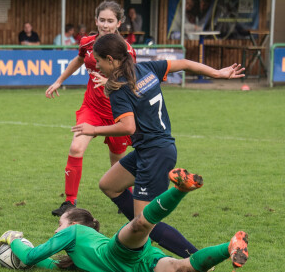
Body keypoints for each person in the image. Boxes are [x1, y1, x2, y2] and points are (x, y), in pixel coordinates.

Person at [71, 33, 244, 259]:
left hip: (154, 154)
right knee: (109, 184)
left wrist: (93, 129)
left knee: (145, 223)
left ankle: (200, 259)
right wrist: (217, 72)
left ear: (111, 59)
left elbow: (128, 126)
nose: (97, 66)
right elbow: (184, 64)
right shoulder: (146, 68)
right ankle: (138, 224)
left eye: (99, 61)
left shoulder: (118, 88)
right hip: (153, 149)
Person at [0, 168, 249, 272]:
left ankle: (180, 190)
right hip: (135, 270)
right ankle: (229, 247)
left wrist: (12, 237)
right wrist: (21, 257)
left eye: (59, 225)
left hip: (116, 252)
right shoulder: (75, 255)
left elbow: (31, 256)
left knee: (141, 223)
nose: (56, 230)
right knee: (181, 271)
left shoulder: (73, 233)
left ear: (72, 224)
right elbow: (43, 262)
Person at [45, 1, 135, 217]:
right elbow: (79, 59)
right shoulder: (87, 43)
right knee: (76, 148)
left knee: (118, 160)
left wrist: (109, 83)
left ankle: (127, 200)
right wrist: (59, 81)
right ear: (96, 21)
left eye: (110, 21)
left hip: (117, 111)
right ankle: (69, 202)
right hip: (92, 108)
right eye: (102, 20)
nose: (105, 25)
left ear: (119, 23)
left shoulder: (126, 50)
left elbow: (132, 82)